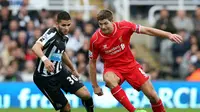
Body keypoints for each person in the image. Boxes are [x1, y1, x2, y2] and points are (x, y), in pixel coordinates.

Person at [89, 9, 183, 112]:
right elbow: (92, 63)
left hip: (131, 66)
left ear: (112, 21)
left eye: (105, 23)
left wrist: (168, 35)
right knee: (108, 78)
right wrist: (95, 86)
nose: (103, 27)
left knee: (153, 96)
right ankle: (133, 111)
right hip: (113, 69)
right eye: (100, 24)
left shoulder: (124, 26)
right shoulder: (95, 40)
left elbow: (146, 30)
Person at [32, 11, 94, 112]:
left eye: (68, 25)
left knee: (86, 95)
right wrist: (45, 60)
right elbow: (35, 47)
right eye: (63, 25)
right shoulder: (51, 33)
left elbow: (61, 53)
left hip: (60, 72)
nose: (66, 28)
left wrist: (73, 69)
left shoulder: (65, 37)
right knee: (66, 108)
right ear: (57, 24)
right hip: (45, 78)